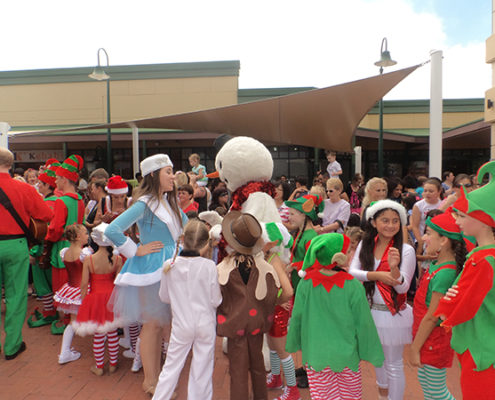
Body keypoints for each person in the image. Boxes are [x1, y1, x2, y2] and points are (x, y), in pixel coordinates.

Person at [105, 153, 187, 395]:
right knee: (153, 324)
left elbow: (185, 227)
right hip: (153, 269)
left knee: (168, 323)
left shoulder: (169, 201)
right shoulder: (144, 203)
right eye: (168, 172)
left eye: (173, 172)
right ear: (153, 175)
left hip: (174, 264)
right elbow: (113, 229)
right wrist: (135, 250)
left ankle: (164, 375)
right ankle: (151, 380)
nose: (173, 177)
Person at [287, 233, 384, 400]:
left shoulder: (306, 284)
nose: (350, 254)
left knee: (323, 396)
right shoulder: (353, 285)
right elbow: (364, 323)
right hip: (347, 355)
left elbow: (297, 318)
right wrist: (370, 350)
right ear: (338, 257)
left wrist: (294, 342)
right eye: (348, 251)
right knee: (351, 396)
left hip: (316, 355)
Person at [435, 161, 495, 400]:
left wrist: (447, 307)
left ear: (483, 219)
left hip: (483, 348)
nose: (456, 220)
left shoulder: (483, 260)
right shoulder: (481, 255)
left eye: (461, 214)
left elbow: (461, 304)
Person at [216, 211, 291, 400]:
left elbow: (215, 297)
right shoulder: (265, 266)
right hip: (257, 324)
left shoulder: (223, 267)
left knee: (238, 371)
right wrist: (273, 305)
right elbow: (278, 292)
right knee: (258, 367)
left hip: (234, 325)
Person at [349, 199, 416, 400]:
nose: (390, 225)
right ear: (374, 222)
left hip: (392, 314)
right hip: (370, 311)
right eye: (385, 220)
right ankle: (382, 396)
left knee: (393, 364)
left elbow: (403, 286)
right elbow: (352, 272)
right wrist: (376, 275)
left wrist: (394, 268)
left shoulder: (406, 250)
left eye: (395, 221)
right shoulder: (365, 244)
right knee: (377, 360)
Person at [153, 219, 222, 400]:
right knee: (202, 369)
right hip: (205, 323)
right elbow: (216, 300)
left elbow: (164, 297)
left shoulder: (170, 264)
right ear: (206, 243)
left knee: (171, 368)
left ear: (183, 239)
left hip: (181, 324)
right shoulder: (209, 266)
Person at [0, 147, 53, 359]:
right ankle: (12, 346)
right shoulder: (24, 189)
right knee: (16, 296)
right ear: (11, 165)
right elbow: (47, 214)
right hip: (15, 244)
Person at [410, 210, 466, 399]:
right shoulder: (437, 266)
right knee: (427, 385)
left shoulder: (444, 273)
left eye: (429, 233)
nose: (424, 238)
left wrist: (414, 348)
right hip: (426, 337)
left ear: (444, 241)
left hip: (434, 340)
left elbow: (432, 316)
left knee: (437, 391)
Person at [41, 155, 85, 335]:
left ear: (65, 179)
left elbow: (55, 229)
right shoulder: (80, 199)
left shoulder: (61, 201)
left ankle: (66, 322)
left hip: (61, 249)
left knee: (61, 287)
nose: (55, 180)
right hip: (78, 247)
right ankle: (73, 319)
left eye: (58, 177)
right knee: (74, 283)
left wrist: (46, 238)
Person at [73, 223, 124, 376]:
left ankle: (99, 366)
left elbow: (83, 285)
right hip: (112, 298)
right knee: (113, 332)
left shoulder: (89, 260)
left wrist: (84, 302)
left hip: (95, 298)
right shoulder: (117, 259)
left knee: (99, 334)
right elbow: (119, 283)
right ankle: (113, 364)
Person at [261, 223, 298, 400]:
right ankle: (275, 377)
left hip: (277, 310)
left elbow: (288, 291)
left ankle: (293, 390)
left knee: (282, 350)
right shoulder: (269, 257)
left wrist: (277, 302)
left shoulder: (273, 259)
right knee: (273, 347)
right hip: (272, 309)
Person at [27, 159, 61, 328]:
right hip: (55, 249)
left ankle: (49, 313)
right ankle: (55, 312)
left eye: (41, 183)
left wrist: (34, 250)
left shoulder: (47, 203)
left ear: (48, 186)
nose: (38, 185)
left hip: (43, 249)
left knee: (43, 284)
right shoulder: (60, 200)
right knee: (54, 284)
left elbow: (42, 231)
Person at [54, 224, 90, 364]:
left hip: (70, 289)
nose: (88, 236)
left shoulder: (65, 252)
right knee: (98, 317)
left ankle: (64, 352)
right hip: (84, 289)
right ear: (77, 237)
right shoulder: (85, 254)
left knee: (73, 322)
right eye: (85, 233)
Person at [411, 178, 443, 268]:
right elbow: (415, 226)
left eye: (431, 191)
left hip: (437, 240)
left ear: (439, 191)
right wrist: (420, 241)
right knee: (422, 265)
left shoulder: (442, 204)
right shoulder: (419, 205)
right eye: (425, 191)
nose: (427, 193)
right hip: (422, 239)